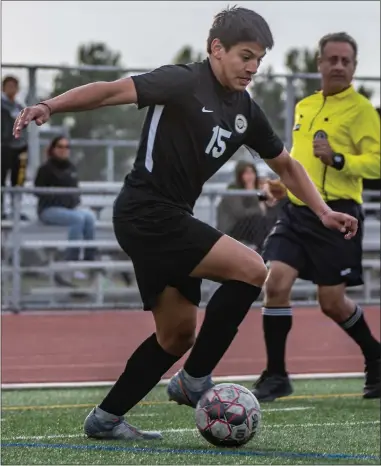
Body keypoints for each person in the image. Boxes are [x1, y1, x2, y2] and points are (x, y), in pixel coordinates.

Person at [13, 7, 358, 441]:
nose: (252, 67)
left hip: (170, 217)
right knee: (254, 269)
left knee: (176, 336)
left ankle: (106, 418)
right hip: (147, 212)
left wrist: (324, 211)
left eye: (259, 59)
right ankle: (194, 381)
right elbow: (108, 92)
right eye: (245, 56)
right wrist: (49, 105)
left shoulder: (246, 110)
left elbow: (286, 165)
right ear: (216, 49)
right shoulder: (183, 81)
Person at [252, 32, 381, 402]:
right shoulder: (305, 106)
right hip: (296, 212)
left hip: (339, 214)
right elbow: (297, 158)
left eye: (346, 60)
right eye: (332, 59)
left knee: (332, 303)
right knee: (274, 284)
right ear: (319, 63)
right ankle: (276, 374)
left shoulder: (363, 112)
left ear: (354, 67)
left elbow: (377, 162)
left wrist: (339, 158)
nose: (338, 65)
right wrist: (279, 185)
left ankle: (375, 355)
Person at [34, 136, 97, 285]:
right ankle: (71, 263)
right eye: (60, 147)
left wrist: (72, 200)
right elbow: (37, 191)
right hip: (49, 210)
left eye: (66, 147)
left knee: (89, 217)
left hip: (69, 210)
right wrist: (58, 196)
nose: (64, 150)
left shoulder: (71, 167)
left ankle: (90, 261)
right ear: (53, 149)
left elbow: (75, 191)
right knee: (78, 219)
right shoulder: (45, 169)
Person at [217, 160, 275, 249]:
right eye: (246, 173)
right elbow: (240, 213)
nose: (250, 176)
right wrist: (252, 193)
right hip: (231, 228)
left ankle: (266, 247)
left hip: (250, 228)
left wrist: (259, 192)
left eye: (252, 173)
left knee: (267, 219)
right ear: (240, 175)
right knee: (257, 219)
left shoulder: (256, 189)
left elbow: (264, 209)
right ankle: (264, 249)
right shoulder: (233, 189)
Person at [1, 76, 29, 220]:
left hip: (19, 148)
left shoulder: (19, 107)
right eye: (8, 86)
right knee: (1, 179)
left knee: (18, 181)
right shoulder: (1, 106)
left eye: (14, 86)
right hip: (4, 147)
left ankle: (16, 210)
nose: (11, 89)